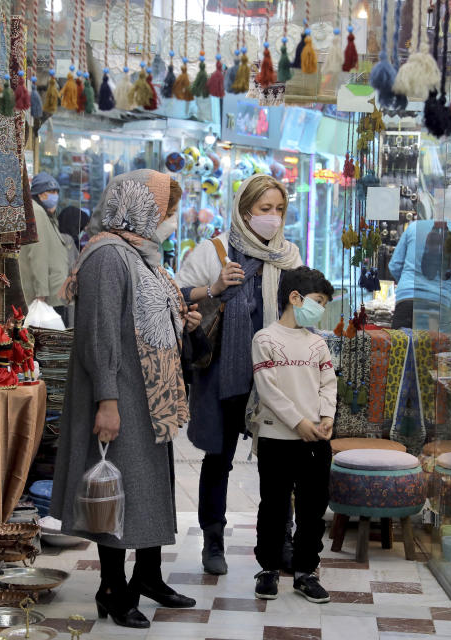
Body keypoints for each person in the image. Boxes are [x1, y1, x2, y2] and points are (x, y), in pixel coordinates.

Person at [50, 170, 202, 630]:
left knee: (146, 485)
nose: (169, 219)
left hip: (146, 395)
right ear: (140, 208)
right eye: (166, 210)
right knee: (114, 489)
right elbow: (99, 335)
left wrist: (182, 320)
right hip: (120, 393)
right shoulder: (107, 257)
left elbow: (148, 314)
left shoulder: (140, 253)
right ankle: (113, 589)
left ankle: (149, 576)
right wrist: (108, 401)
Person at [175, 174, 302, 575]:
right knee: (219, 458)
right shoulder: (214, 251)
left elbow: (308, 310)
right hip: (224, 375)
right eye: (265, 209)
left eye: (279, 210)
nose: (273, 218)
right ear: (245, 210)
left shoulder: (289, 256)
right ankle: (212, 540)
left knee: (279, 464)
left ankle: (280, 538)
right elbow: (177, 295)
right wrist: (213, 288)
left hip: (276, 377)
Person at [249, 266, 336, 603]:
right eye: (317, 301)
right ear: (294, 298)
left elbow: (329, 384)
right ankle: (268, 570)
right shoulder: (265, 339)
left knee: (313, 509)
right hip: (277, 439)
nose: (320, 309)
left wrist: (326, 417)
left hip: (316, 441)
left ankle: (305, 573)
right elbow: (268, 391)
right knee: (273, 506)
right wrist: (299, 422)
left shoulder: (318, 343)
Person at [388, 217, 451, 330]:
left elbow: (395, 265)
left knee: (402, 344)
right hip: (440, 303)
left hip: (407, 299)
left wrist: (407, 283)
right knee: (431, 345)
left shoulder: (414, 227)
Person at [19, 172, 71, 317]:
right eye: (49, 192)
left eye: (56, 192)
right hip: (47, 297)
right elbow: (38, 254)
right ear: (38, 194)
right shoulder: (37, 212)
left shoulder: (46, 214)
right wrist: (41, 293)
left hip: (54, 293)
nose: (54, 196)